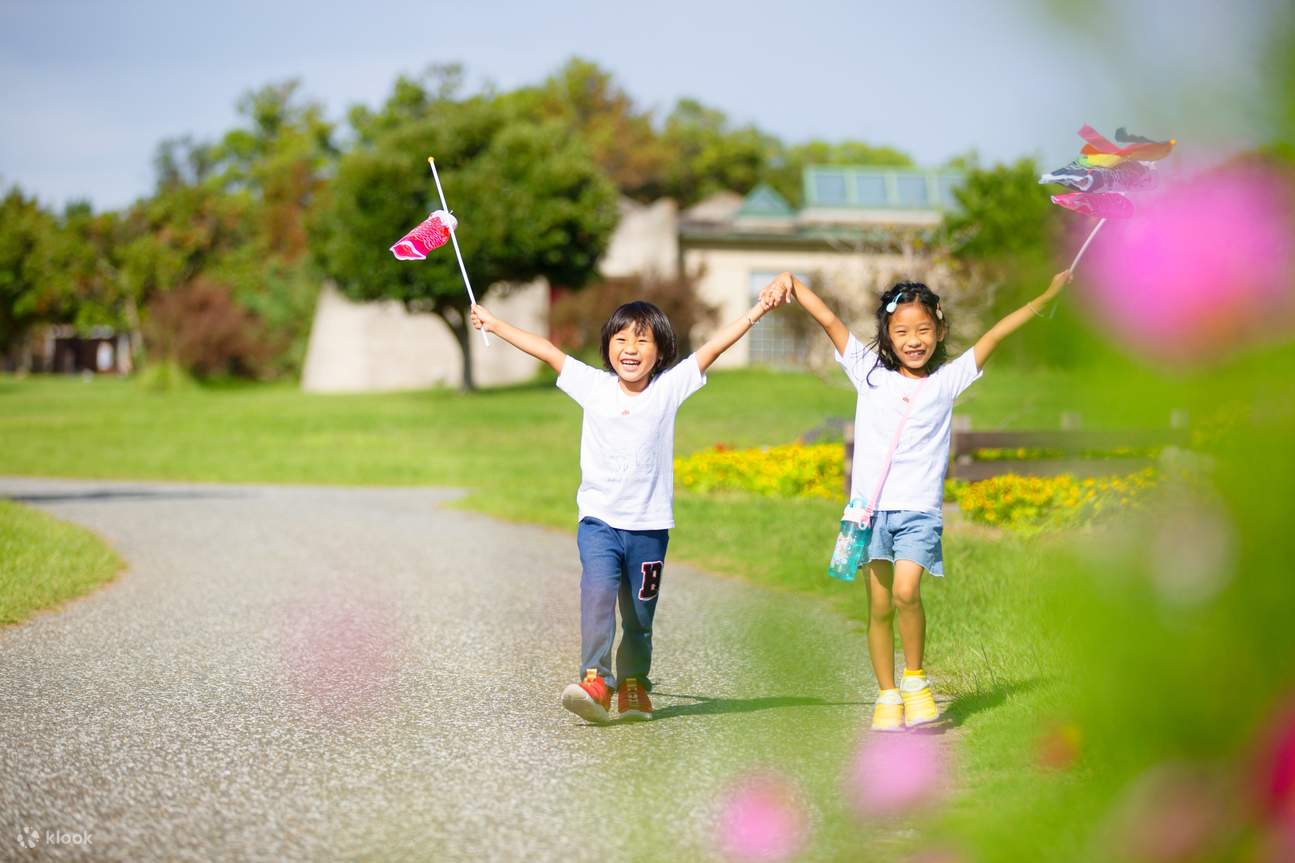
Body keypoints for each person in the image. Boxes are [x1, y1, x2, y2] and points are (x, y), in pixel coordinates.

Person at [761, 269, 1072, 730]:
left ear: (940, 330)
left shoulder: (947, 381)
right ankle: (887, 694)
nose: (914, 340)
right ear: (886, 334)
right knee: (880, 607)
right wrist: (790, 281)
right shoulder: (867, 372)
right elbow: (828, 318)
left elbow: (996, 332)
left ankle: (915, 679)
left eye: (924, 330)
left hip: (918, 513)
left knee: (907, 592)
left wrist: (1047, 294)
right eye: (902, 331)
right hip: (868, 513)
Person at [469, 291, 777, 723]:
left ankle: (634, 687)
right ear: (607, 346)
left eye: (642, 341)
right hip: (599, 523)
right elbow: (548, 350)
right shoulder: (593, 386)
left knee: (638, 617)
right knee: (597, 596)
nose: (630, 350)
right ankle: (595, 680)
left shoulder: (668, 389)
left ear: (661, 350)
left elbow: (713, 348)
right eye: (621, 340)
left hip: (649, 530)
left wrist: (758, 310)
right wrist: (495, 324)